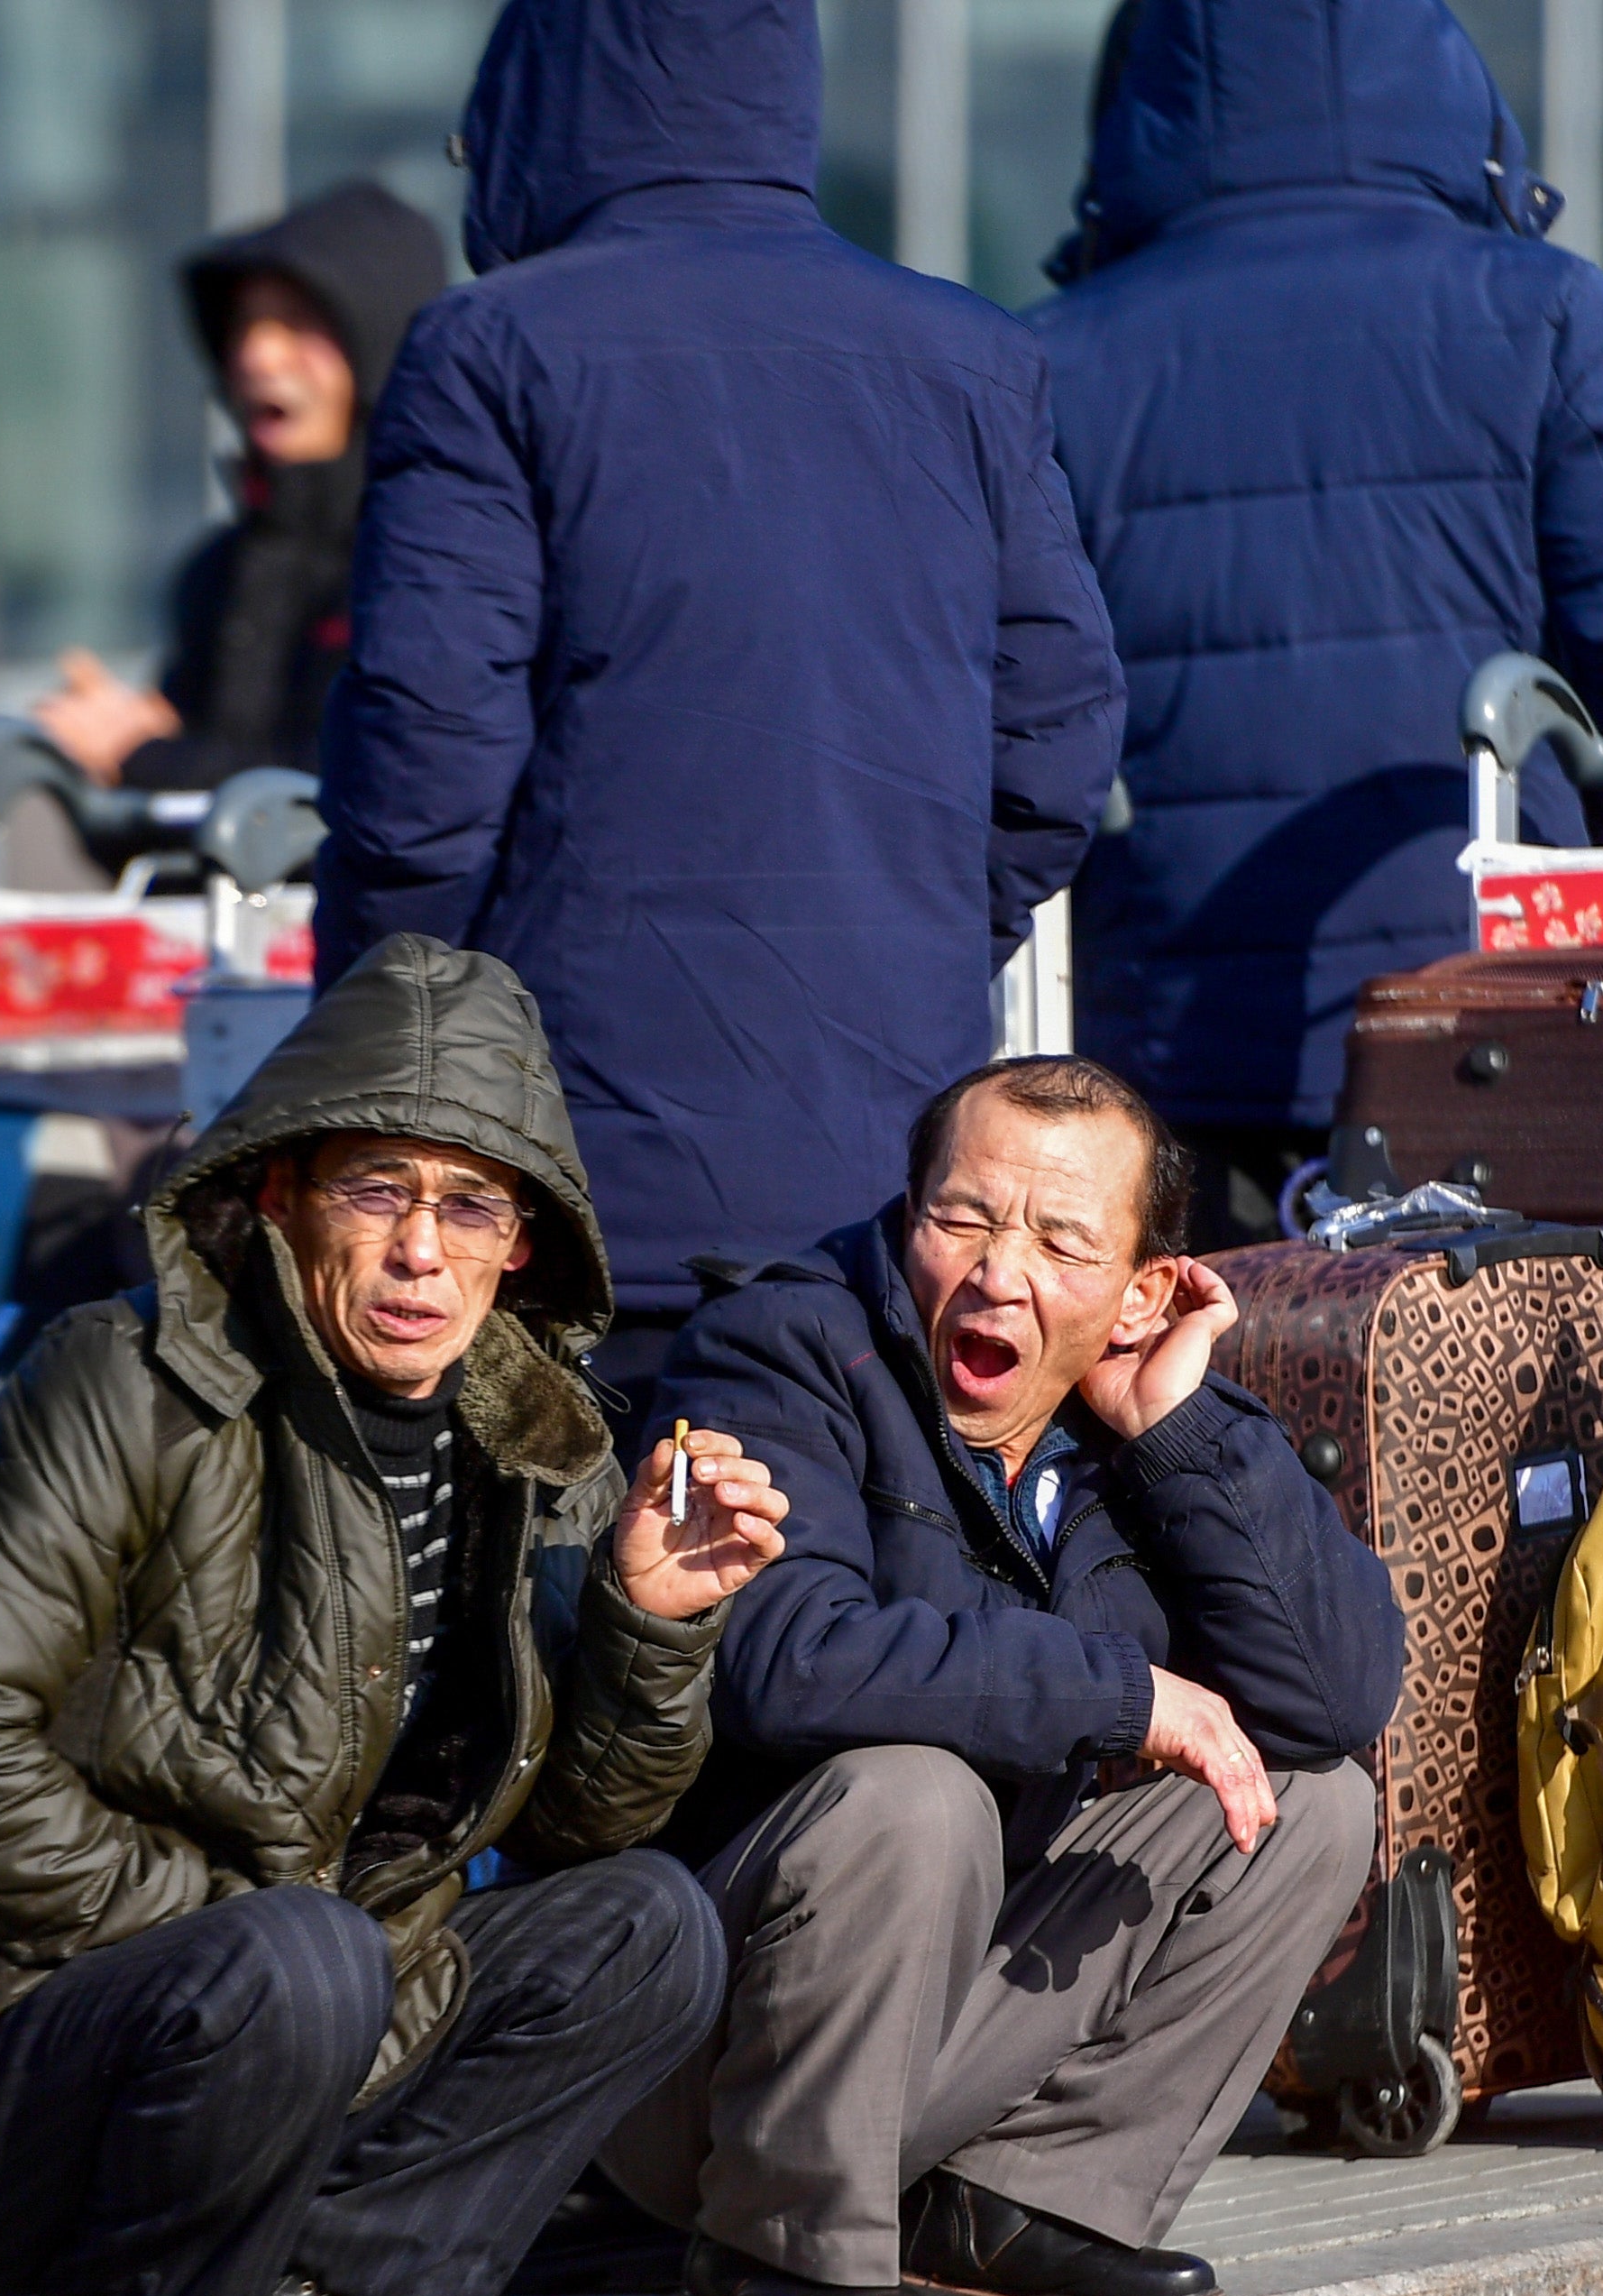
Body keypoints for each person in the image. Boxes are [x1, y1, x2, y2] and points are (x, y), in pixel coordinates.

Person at [0, 936, 790, 2296]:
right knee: (305, 1944)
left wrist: (648, 1621)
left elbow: (593, 1819)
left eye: (470, 1202)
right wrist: (236, 1932)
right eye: (375, 1189)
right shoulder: (122, 1380)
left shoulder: (539, 1440)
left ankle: (323, 2295)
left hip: (314, 2007)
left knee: (649, 1920)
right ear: (277, 1197)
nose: (422, 1250)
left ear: (520, 1240)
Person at [310, 0, 1126, 1427]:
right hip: (889, 1177)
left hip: (572, 1169)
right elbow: (1056, 744)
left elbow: (421, 777)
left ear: (532, 110)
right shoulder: (967, 356)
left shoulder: (495, 349)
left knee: (578, 1612)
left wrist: (388, 1052)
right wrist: (909, 919)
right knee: (836, 1604)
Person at [599, 1055, 1403, 2296]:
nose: (996, 1272)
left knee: (1310, 1799)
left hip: (940, 2035)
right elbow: (785, 1654)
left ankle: (1012, 2203)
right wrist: (1119, 1695)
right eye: (960, 1216)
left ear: (1143, 1290)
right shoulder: (779, 1347)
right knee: (913, 1792)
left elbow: (1339, 1691)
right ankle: (779, 2241)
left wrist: (1180, 1433)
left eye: (1061, 1240)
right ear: (905, 1210)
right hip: (704, 2060)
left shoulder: (1134, 1413)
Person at [1026, 0, 1603, 1244]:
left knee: (1205, 1402)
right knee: (1491, 1407)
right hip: (1491, 1001)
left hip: (1171, 1028)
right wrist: (1596, 835)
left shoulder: (1055, 356)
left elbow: (1022, 698)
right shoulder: (1541, 310)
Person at [33, 179, 452, 801]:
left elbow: (388, 784)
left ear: (381, 344)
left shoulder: (436, 559)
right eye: (245, 325)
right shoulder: (216, 573)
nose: (259, 356)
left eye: (300, 322)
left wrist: (148, 757)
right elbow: (152, 843)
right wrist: (111, 762)